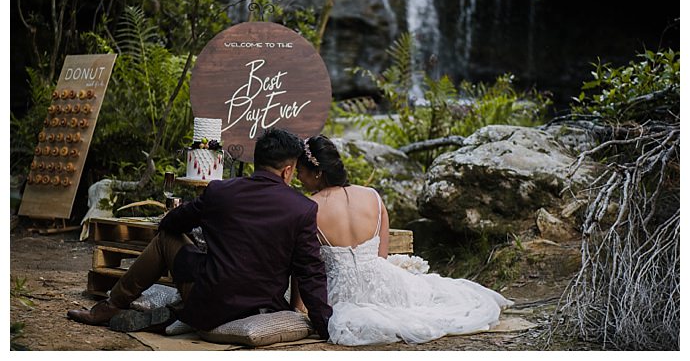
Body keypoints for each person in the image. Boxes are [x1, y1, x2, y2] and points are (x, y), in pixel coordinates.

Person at [68, 128, 332, 340]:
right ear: (288, 170)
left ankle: (112, 305)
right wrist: (324, 326)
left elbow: (170, 224)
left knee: (165, 240)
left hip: (209, 308)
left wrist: (201, 237)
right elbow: (310, 271)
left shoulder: (220, 191)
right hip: (260, 308)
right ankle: (171, 314)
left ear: (257, 162)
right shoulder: (303, 208)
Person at [295, 134, 512, 346]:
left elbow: (307, 265)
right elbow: (382, 255)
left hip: (343, 294)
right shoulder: (372, 196)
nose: (297, 178)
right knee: (431, 304)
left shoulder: (308, 208)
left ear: (317, 172)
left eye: (300, 171)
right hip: (384, 283)